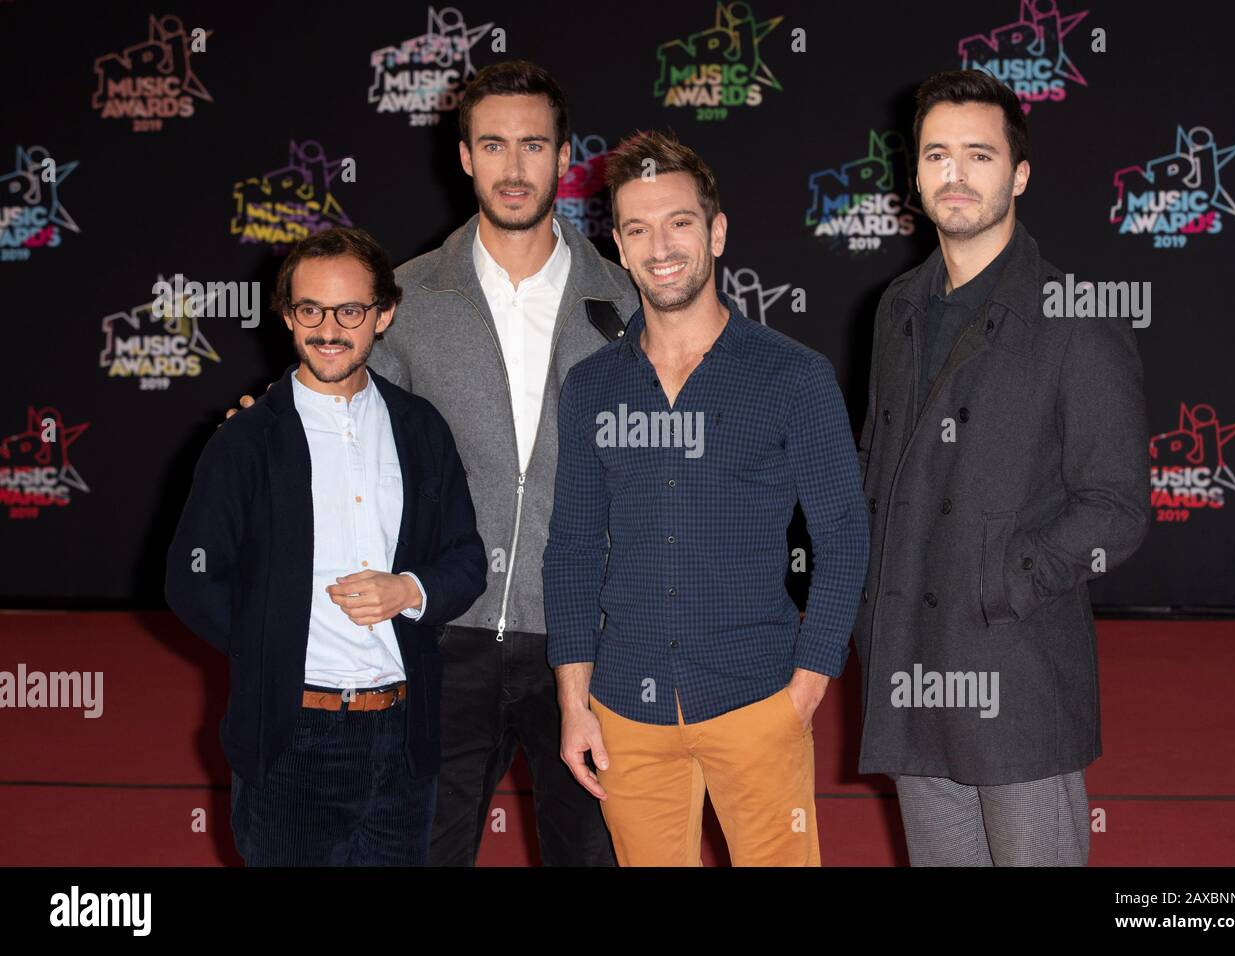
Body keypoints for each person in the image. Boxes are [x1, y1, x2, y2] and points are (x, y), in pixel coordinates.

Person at [228, 61, 637, 866]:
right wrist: (263, 426)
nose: (513, 167)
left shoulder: (626, 302)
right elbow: (332, 404)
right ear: (464, 158)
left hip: (588, 642)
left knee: (595, 856)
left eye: (532, 145)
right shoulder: (404, 299)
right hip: (439, 639)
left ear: (564, 159)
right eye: (492, 144)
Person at [543, 130, 870, 866]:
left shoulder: (794, 376)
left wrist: (806, 691)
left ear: (717, 232)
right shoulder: (592, 387)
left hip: (760, 701)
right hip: (625, 709)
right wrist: (574, 704)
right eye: (637, 228)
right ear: (620, 250)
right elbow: (570, 549)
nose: (660, 245)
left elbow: (843, 535)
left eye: (679, 222)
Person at [854, 70, 1150, 866]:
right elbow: (877, 469)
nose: (956, 174)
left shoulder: (1075, 317)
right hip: (910, 666)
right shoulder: (897, 308)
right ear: (915, 176)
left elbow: (1116, 507)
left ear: (1018, 174)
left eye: (979, 155)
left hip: (1014, 669)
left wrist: (1003, 580)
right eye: (937, 155)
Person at [166, 227, 486, 865]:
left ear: (384, 314)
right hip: (292, 734)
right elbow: (192, 578)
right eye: (310, 309)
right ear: (287, 315)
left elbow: (467, 559)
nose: (329, 329)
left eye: (350, 311)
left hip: (403, 732)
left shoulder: (421, 428)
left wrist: (411, 590)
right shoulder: (247, 439)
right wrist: (270, 645)